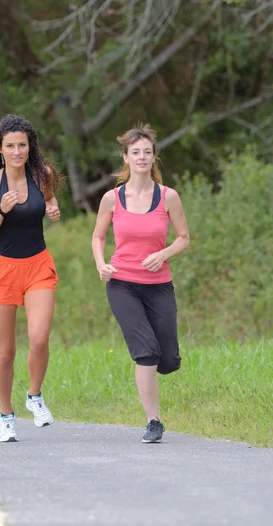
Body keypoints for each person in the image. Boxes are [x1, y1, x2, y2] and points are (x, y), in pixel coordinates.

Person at [92, 124, 190, 443]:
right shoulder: (112, 198)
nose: (142, 157)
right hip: (122, 284)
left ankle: (161, 364)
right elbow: (98, 236)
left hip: (159, 284)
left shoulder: (168, 196)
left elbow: (184, 239)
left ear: (154, 156)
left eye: (147, 152)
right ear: (126, 157)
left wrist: (163, 254)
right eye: (136, 152)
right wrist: (101, 264)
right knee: (146, 351)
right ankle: (153, 421)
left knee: (168, 358)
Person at [0, 114, 61, 442]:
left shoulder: (43, 175)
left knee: (39, 338)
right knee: (5, 352)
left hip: (38, 264)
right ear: (0, 148)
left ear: (30, 147)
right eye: (10, 146)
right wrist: (1, 211)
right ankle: (6, 415)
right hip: (3, 269)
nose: (16, 151)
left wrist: (53, 209)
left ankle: (34, 396)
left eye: (22, 145)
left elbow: (50, 201)